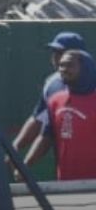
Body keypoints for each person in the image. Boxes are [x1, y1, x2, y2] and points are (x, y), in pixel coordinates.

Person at [14, 32, 86, 172]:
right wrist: (15, 149)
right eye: (54, 52)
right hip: (66, 169)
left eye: (60, 52)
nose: (55, 58)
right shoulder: (52, 83)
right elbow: (39, 121)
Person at [28, 49, 96, 180]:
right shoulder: (55, 101)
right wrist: (24, 166)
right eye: (61, 65)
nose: (63, 69)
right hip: (65, 183)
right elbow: (46, 137)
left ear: (86, 68)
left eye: (69, 65)